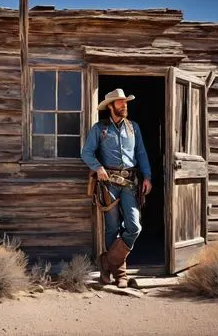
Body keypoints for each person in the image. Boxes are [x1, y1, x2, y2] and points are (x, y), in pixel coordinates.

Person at [81, 88, 152, 288]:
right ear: (111, 106)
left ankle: (106, 262)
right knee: (112, 228)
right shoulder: (100, 128)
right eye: (120, 103)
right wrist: (98, 168)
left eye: (126, 102)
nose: (124, 105)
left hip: (130, 182)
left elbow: (141, 153)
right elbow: (86, 153)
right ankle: (120, 274)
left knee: (134, 226)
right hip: (108, 184)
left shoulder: (133, 127)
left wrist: (147, 176)